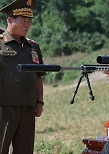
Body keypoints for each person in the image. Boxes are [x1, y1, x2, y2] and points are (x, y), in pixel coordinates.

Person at [0, 0, 46, 154]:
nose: (27, 25)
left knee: (25, 150)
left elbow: (39, 76)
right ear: (10, 20)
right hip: (4, 108)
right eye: (23, 21)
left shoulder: (33, 47)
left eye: (29, 21)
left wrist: (39, 101)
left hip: (28, 108)